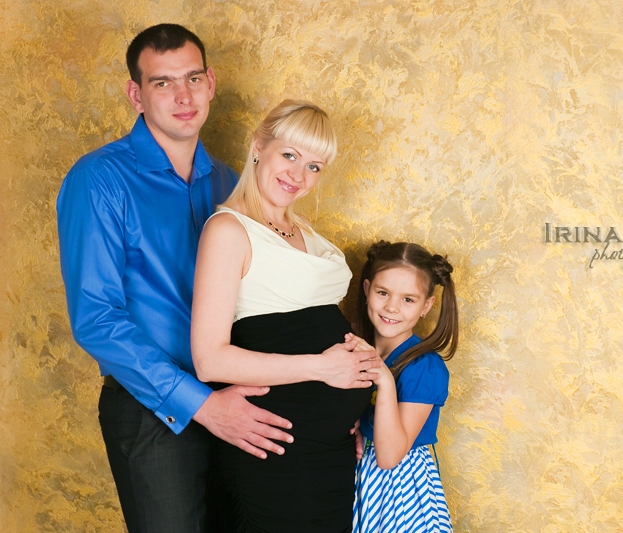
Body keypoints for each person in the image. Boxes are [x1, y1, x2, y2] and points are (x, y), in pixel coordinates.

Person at [57, 24, 377, 533]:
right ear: (136, 95)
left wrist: (335, 407)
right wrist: (201, 403)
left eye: (192, 78)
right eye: (162, 83)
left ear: (210, 83)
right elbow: (96, 319)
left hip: (247, 406)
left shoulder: (233, 183)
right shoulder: (99, 179)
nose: (183, 96)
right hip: (156, 407)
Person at [191, 99, 374, 532]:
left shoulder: (304, 229)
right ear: (259, 146)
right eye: (289, 155)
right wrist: (323, 370)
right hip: (275, 451)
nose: (298, 175)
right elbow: (210, 360)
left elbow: (310, 325)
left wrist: (351, 397)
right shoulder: (229, 230)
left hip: (330, 455)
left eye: (314, 166)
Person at [351, 241, 459, 533]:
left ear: (426, 306)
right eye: (383, 292)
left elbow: (389, 457)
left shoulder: (425, 367)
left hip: (401, 488)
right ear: (367, 290)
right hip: (357, 480)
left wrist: (385, 379)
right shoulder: (354, 349)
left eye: (408, 299)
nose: (391, 307)